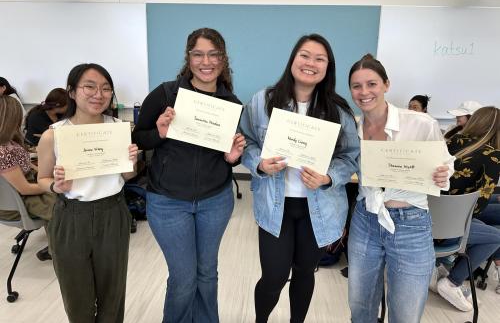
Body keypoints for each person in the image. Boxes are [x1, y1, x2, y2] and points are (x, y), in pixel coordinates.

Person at [240, 34, 359, 323]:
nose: (311, 63)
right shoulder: (263, 100)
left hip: (319, 208)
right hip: (275, 207)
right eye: (305, 55)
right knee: (274, 275)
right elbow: (246, 141)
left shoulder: (338, 110)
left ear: (327, 67)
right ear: (293, 59)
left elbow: (350, 156)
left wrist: (328, 177)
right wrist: (260, 164)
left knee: (305, 271)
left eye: (320, 59)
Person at [132, 28, 245, 323]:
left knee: (207, 273)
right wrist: (159, 132)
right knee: (183, 277)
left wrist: (234, 158)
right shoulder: (166, 94)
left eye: (213, 54)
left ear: (222, 59)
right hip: (168, 202)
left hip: (215, 201)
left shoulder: (231, 103)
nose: (205, 61)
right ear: (189, 58)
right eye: (198, 54)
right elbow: (138, 138)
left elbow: (230, 155)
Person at [347, 54, 454, 323]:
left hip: (411, 224)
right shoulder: (353, 128)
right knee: (360, 308)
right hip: (365, 219)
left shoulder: (420, 123)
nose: (364, 92)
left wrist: (443, 174)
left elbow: (445, 165)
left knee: (405, 315)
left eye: (371, 84)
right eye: (356, 86)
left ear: (386, 84)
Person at [37, 63, 138, 323]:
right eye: (89, 87)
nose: (99, 94)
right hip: (70, 217)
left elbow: (128, 177)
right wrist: (55, 186)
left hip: (112, 213)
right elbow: (42, 179)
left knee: (112, 297)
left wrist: (132, 162)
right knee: (77, 299)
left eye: (106, 88)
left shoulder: (119, 128)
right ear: (72, 92)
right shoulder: (54, 135)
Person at [436, 106, 500, 310]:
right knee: (496, 236)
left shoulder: (448, 141)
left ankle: (445, 267)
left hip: (422, 217)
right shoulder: (493, 156)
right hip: (449, 226)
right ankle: (453, 282)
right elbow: (478, 207)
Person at [0, 95, 55, 260]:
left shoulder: (9, 144)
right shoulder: (4, 152)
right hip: (18, 201)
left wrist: (43, 174)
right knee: (61, 206)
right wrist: (51, 185)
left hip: (21, 192)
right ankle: (58, 251)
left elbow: (22, 166)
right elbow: (24, 189)